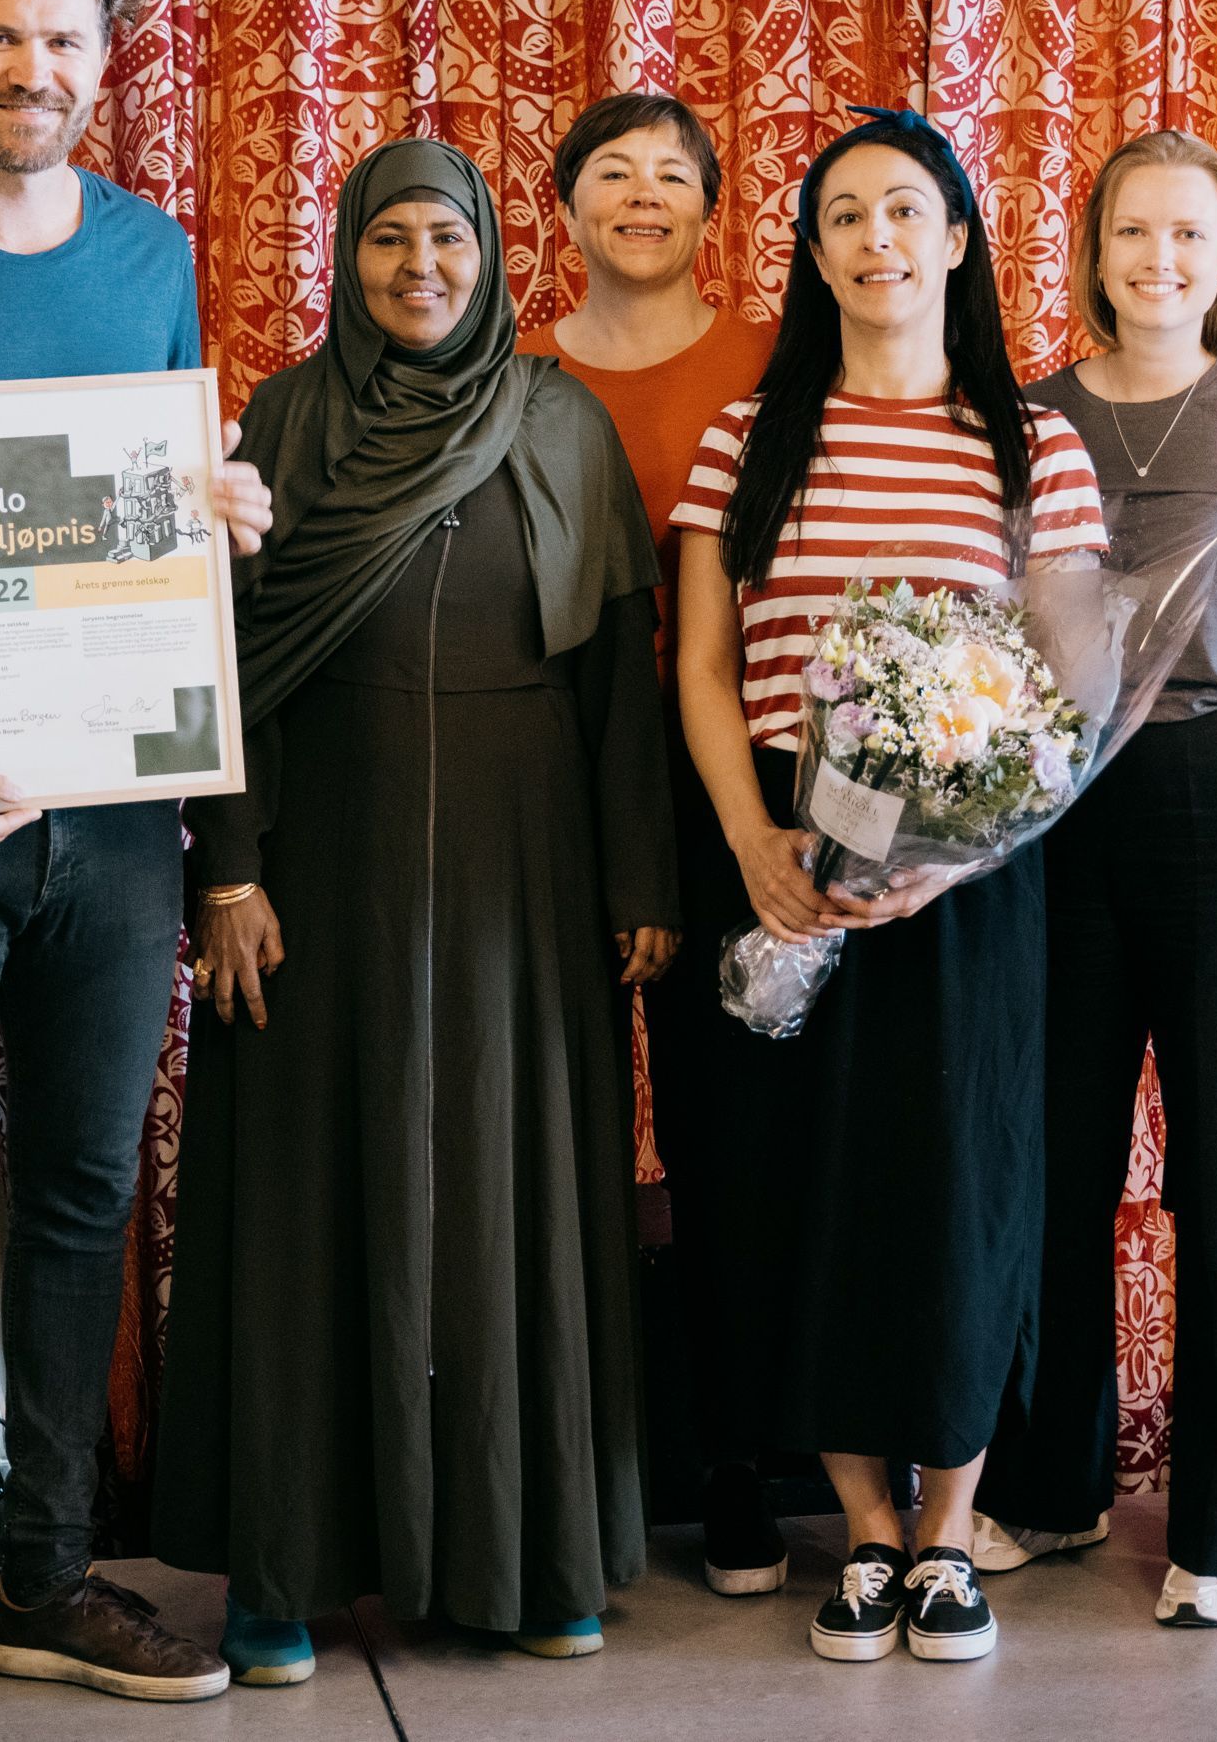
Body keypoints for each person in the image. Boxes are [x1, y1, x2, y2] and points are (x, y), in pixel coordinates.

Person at [160, 138, 678, 1675]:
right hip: (320, 870)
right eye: (388, 241)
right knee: (318, 1194)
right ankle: (286, 1568)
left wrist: (638, 878)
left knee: (515, 1197)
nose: (419, 271)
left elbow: (618, 677)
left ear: (495, 252)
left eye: (445, 240)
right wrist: (228, 865)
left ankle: (533, 1559)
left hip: (526, 877)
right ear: (347, 255)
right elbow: (221, 656)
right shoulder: (284, 418)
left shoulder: (560, 422)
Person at [0, 0, 274, 1736]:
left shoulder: (147, 249)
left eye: (69, 43)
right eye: (1, 35)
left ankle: (42, 1573)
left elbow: (146, 495)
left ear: (110, 66)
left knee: (91, 1188)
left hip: (111, 812)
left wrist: (219, 514)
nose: (36, 71)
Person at [670, 108, 1108, 1667]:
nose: (875, 239)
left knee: (961, 1186)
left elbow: (1071, 685)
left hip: (974, 874)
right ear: (812, 249)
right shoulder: (750, 435)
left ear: (958, 238)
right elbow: (709, 666)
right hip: (787, 848)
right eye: (844, 214)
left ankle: (949, 1533)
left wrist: (958, 856)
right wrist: (748, 840)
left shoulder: (1027, 441)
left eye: (904, 210)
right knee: (806, 1182)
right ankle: (861, 1523)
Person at [967, 131, 1217, 1628]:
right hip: (1057, 819)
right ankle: (1050, 1488)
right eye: (1133, 232)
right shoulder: (1030, 418)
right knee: (1052, 1159)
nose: (1160, 259)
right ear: (1095, 249)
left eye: (1188, 233)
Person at [515, 94, 789, 1590]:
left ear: (709, 209)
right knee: (544, 1133)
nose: (640, 195)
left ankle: (739, 1459)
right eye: (609, 173)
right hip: (545, 786)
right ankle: (566, 1464)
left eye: (671, 174)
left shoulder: (768, 363)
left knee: (722, 1134)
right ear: (562, 211)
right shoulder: (513, 376)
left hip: (729, 785)